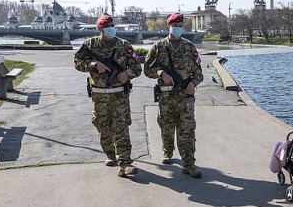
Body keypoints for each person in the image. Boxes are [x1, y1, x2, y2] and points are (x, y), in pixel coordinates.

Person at [74, 15, 143, 178]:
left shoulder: (124, 45)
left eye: (113, 25)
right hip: (99, 95)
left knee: (122, 128)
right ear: (100, 29)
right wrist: (93, 65)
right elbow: (77, 62)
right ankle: (110, 153)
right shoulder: (90, 45)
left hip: (119, 95)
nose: (111, 28)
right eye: (107, 26)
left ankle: (125, 163)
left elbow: (137, 67)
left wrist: (127, 74)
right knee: (103, 126)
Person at [144, 13, 204, 178]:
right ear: (168, 26)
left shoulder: (189, 47)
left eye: (180, 26)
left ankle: (189, 163)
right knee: (166, 127)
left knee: (187, 130)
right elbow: (147, 69)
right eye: (174, 26)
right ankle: (167, 151)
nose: (177, 29)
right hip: (166, 98)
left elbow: (198, 71)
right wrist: (161, 73)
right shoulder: (159, 47)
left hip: (186, 98)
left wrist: (193, 83)